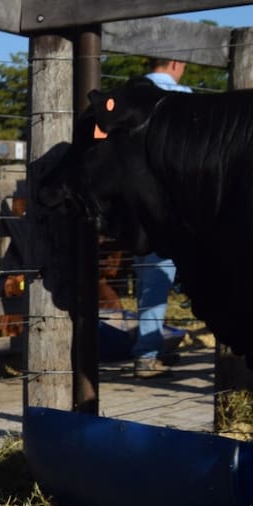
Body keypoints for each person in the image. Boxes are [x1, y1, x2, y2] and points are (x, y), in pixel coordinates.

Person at [131, 58, 191, 379]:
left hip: (139, 207)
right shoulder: (184, 99)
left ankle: (149, 349)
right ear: (176, 63)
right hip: (180, 206)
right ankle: (148, 352)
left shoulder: (130, 96)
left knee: (149, 281)